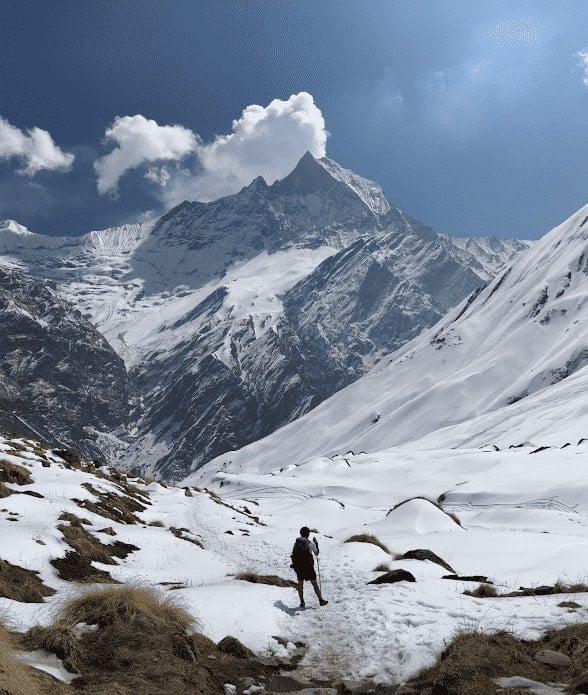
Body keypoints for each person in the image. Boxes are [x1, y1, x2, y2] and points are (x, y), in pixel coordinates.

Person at [291, 526, 328, 608]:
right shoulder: (310, 543)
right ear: (308, 534)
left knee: (300, 584)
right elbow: (316, 553)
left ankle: (302, 602)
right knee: (314, 584)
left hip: (299, 566)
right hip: (308, 567)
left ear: (300, 533)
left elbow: (293, 553)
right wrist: (317, 544)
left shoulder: (296, 543)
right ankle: (321, 600)